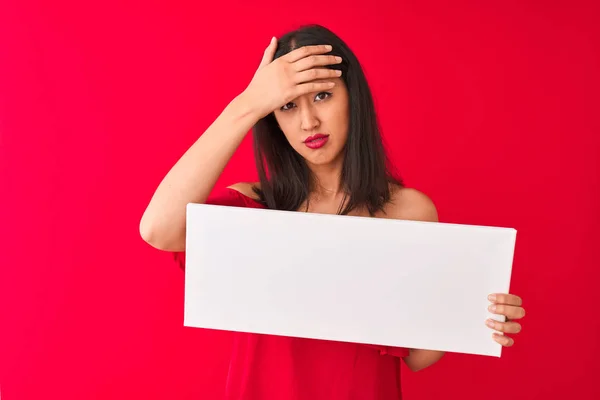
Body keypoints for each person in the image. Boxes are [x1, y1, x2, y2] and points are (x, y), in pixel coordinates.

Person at [140, 24, 526, 400]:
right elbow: (158, 229)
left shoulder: (408, 210)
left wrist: (473, 310)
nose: (308, 122)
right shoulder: (252, 209)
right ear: (271, 118)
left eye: (322, 96)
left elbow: (417, 357)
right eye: (287, 105)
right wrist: (248, 103)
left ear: (351, 96)